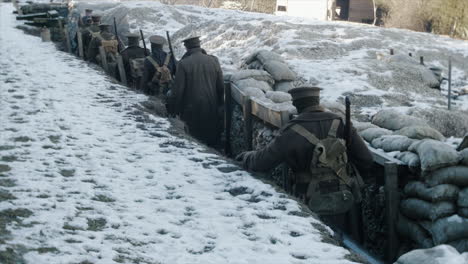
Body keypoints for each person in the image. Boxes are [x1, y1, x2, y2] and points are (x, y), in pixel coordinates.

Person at [236, 86, 373, 230]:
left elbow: (262, 162)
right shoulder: (340, 123)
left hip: (309, 200)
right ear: (317, 100)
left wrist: (246, 157)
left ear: (296, 105)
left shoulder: (291, 131)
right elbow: (366, 159)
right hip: (345, 199)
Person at [170, 36, 224, 148]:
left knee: (195, 144)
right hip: (211, 109)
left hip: (191, 112)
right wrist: (219, 106)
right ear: (199, 45)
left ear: (186, 47)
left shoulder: (183, 64)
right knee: (212, 144)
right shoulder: (214, 60)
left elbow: (178, 91)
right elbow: (220, 87)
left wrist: (173, 110)